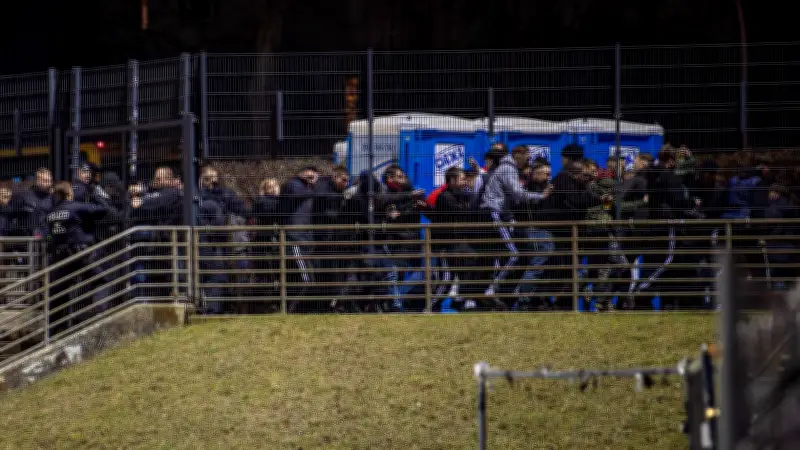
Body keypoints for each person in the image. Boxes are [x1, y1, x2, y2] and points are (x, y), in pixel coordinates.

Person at [480, 145, 552, 306]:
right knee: (514, 255)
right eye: (527, 158)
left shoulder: (508, 168)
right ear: (518, 154)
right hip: (495, 211)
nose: (528, 162)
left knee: (503, 255)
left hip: (500, 213)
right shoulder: (508, 168)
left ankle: (500, 291)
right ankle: (492, 290)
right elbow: (518, 194)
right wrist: (541, 196)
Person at [46, 181, 118, 337]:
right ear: (69, 194)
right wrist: (98, 195)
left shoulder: (50, 214)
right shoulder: (75, 207)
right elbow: (102, 209)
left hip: (61, 258)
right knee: (101, 280)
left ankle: (52, 332)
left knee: (58, 294)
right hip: (80, 255)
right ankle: (99, 311)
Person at [279, 166, 319, 312]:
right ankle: (289, 310)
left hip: (306, 239)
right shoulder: (293, 184)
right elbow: (297, 194)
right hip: (295, 238)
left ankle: (299, 310)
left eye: (314, 173)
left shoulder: (309, 188)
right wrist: (313, 185)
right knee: (305, 280)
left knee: (309, 280)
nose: (311, 175)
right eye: (308, 172)